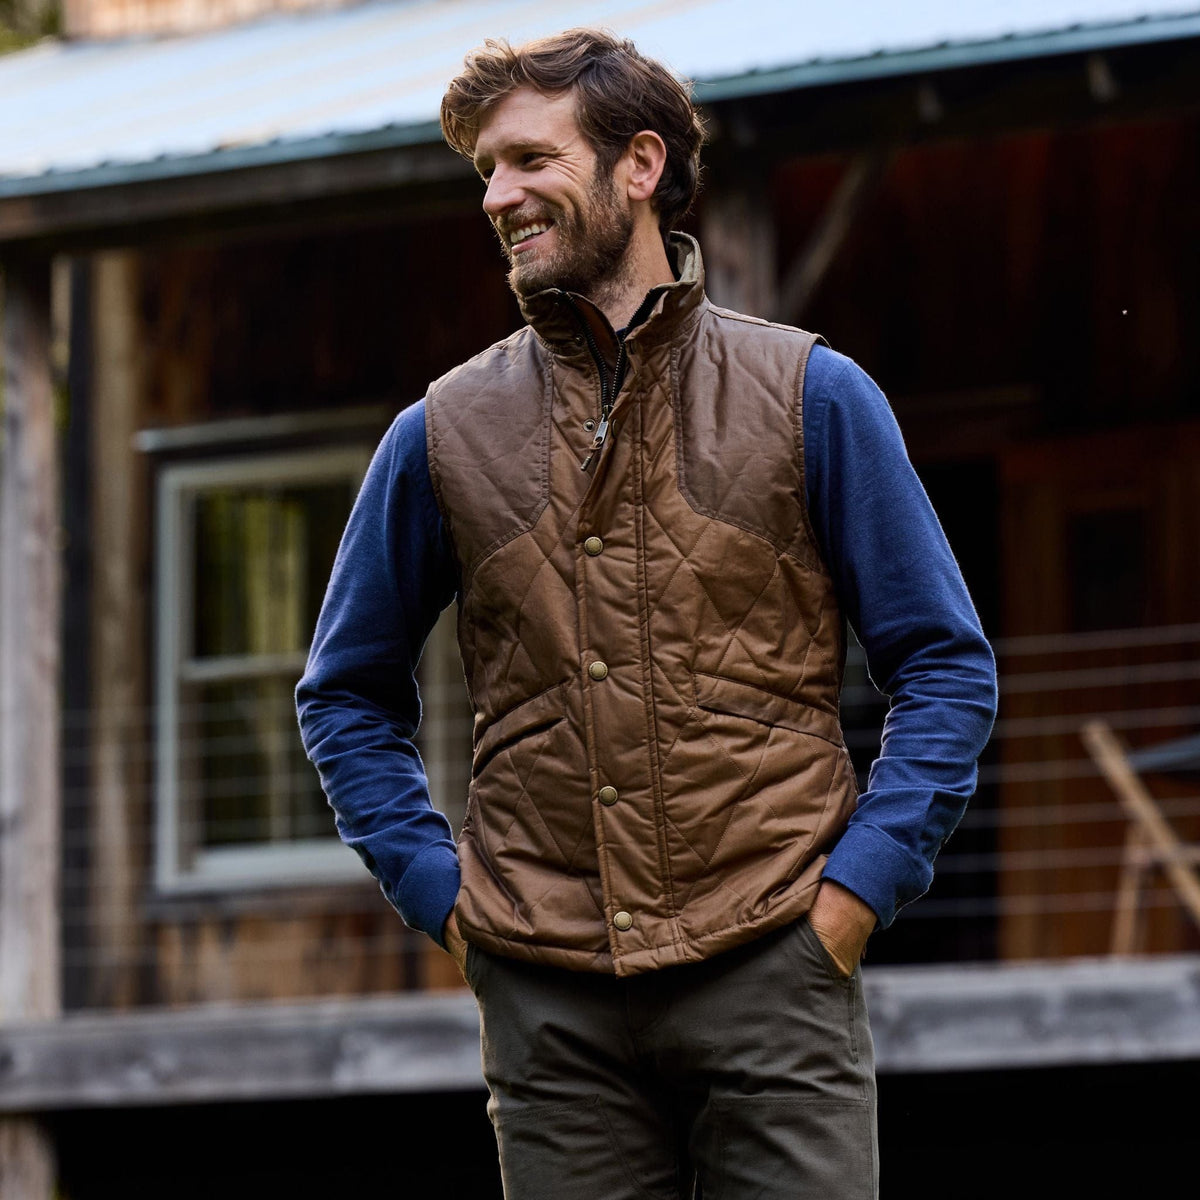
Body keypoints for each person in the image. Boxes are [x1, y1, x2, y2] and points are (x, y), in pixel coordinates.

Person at [297, 27, 997, 1200]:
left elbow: (945, 665)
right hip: (547, 1001)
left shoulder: (813, 395)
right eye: (485, 173)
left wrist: (855, 895)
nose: (500, 195)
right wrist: (445, 899)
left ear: (641, 165)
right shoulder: (440, 433)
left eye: (527, 159)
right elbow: (344, 694)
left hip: (775, 964)